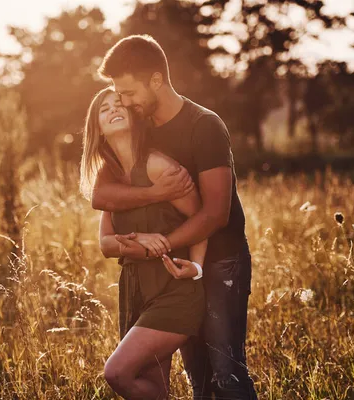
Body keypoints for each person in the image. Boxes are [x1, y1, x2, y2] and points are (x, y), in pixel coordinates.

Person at [92, 35, 258, 399]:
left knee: (226, 372)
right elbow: (103, 193)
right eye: (119, 95)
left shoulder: (204, 126)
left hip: (221, 261)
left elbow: (216, 214)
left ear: (156, 80)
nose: (125, 102)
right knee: (198, 375)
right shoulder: (141, 128)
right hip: (178, 266)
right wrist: (154, 195)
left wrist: (157, 246)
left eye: (130, 93)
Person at [80, 86, 210, 399]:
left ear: (132, 115)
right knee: (153, 388)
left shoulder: (156, 165)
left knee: (118, 372)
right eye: (104, 108)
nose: (113, 109)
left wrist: (196, 267)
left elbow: (202, 218)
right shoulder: (108, 178)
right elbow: (106, 245)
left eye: (118, 104)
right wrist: (137, 240)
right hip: (135, 290)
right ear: (96, 127)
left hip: (172, 290)